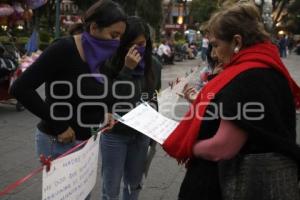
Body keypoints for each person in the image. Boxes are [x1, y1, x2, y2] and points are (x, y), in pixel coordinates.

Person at [162, 3, 300, 200]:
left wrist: (189, 145)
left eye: (216, 45)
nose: (213, 54)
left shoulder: (250, 78)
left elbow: (223, 147)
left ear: (237, 41)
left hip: (227, 185)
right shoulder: (263, 68)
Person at [10, 0, 126, 193]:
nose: (116, 42)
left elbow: (106, 89)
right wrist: (60, 124)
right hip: (58, 142)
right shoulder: (63, 49)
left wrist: (108, 111)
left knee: (83, 196)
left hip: (87, 145)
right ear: (94, 27)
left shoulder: (102, 54)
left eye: (120, 37)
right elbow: (20, 89)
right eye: (113, 35)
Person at [99, 16, 159, 200]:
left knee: (134, 185)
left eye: (142, 43)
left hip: (141, 135)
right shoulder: (109, 63)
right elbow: (111, 99)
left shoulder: (154, 64)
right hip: (115, 134)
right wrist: (127, 70)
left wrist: (154, 122)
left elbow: (154, 95)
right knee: (111, 189)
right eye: (132, 44)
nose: (138, 49)